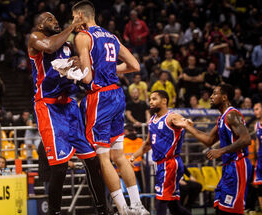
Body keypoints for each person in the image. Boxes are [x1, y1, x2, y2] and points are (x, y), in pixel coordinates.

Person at [27, 11, 108, 215]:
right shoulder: (36, 38)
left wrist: (76, 64)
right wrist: (72, 27)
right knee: (60, 167)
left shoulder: (66, 45)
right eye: (49, 19)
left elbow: (70, 68)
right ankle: (54, 212)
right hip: (48, 107)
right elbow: (50, 46)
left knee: (92, 160)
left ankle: (104, 209)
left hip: (68, 105)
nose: (54, 21)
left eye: (55, 18)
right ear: (39, 26)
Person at [72, 1, 149, 214]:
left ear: (79, 15)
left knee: (103, 157)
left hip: (99, 98)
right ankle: (138, 206)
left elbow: (87, 77)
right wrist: (107, 69)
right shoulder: (111, 36)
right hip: (117, 94)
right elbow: (135, 65)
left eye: (73, 18)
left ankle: (123, 210)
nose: (72, 23)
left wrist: (72, 74)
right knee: (119, 156)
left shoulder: (82, 37)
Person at [174, 84, 252, 215]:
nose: (211, 96)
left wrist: (221, 151)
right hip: (229, 167)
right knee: (220, 207)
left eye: (215, 94)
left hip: (238, 165)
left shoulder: (232, 115)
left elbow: (246, 139)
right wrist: (187, 127)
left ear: (224, 97)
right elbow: (209, 140)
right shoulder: (221, 118)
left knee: (231, 210)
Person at [130, 90, 191, 215]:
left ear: (164, 101)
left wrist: (186, 122)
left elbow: (183, 121)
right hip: (161, 164)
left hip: (169, 163)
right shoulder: (152, 120)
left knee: (161, 202)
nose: (151, 101)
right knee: (174, 206)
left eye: (154, 99)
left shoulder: (172, 117)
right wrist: (132, 157)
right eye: (150, 99)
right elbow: (147, 144)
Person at [253, 102, 262, 210]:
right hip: (260, 160)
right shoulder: (257, 125)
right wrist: (256, 160)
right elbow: (257, 144)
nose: (255, 112)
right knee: (260, 187)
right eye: (254, 110)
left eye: (257, 109)